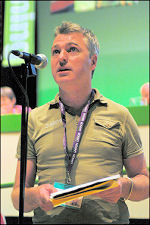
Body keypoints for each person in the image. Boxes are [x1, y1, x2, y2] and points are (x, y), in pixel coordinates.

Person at [11, 22, 149, 224]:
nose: (61, 57)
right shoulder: (35, 119)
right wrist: (37, 195)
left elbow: (144, 182)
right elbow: (17, 197)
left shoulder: (120, 115)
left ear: (93, 61)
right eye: (56, 52)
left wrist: (124, 187)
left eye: (72, 49)